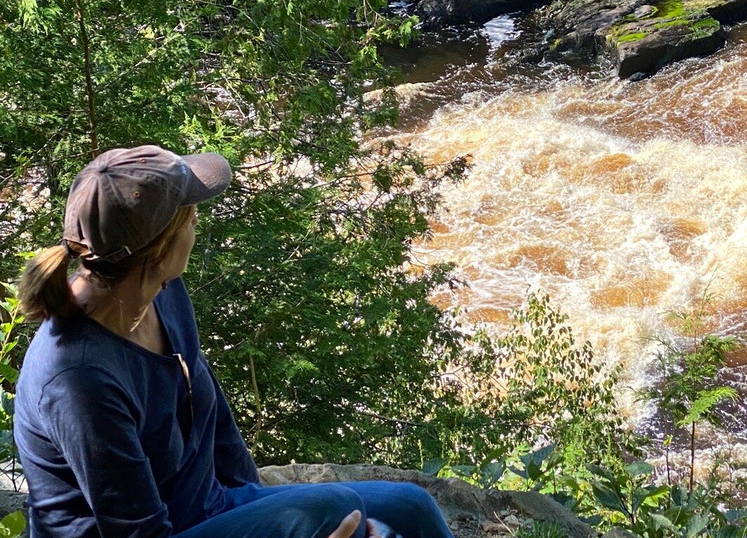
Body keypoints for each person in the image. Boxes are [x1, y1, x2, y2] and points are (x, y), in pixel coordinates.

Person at [15, 145, 457, 538]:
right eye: (191, 215)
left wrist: (266, 509)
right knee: (332, 511)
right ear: (162, 249)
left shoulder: (160, 292)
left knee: (410, 505)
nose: (197, 221)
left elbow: (211, 415)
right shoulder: (79, 378)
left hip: (208, 508)